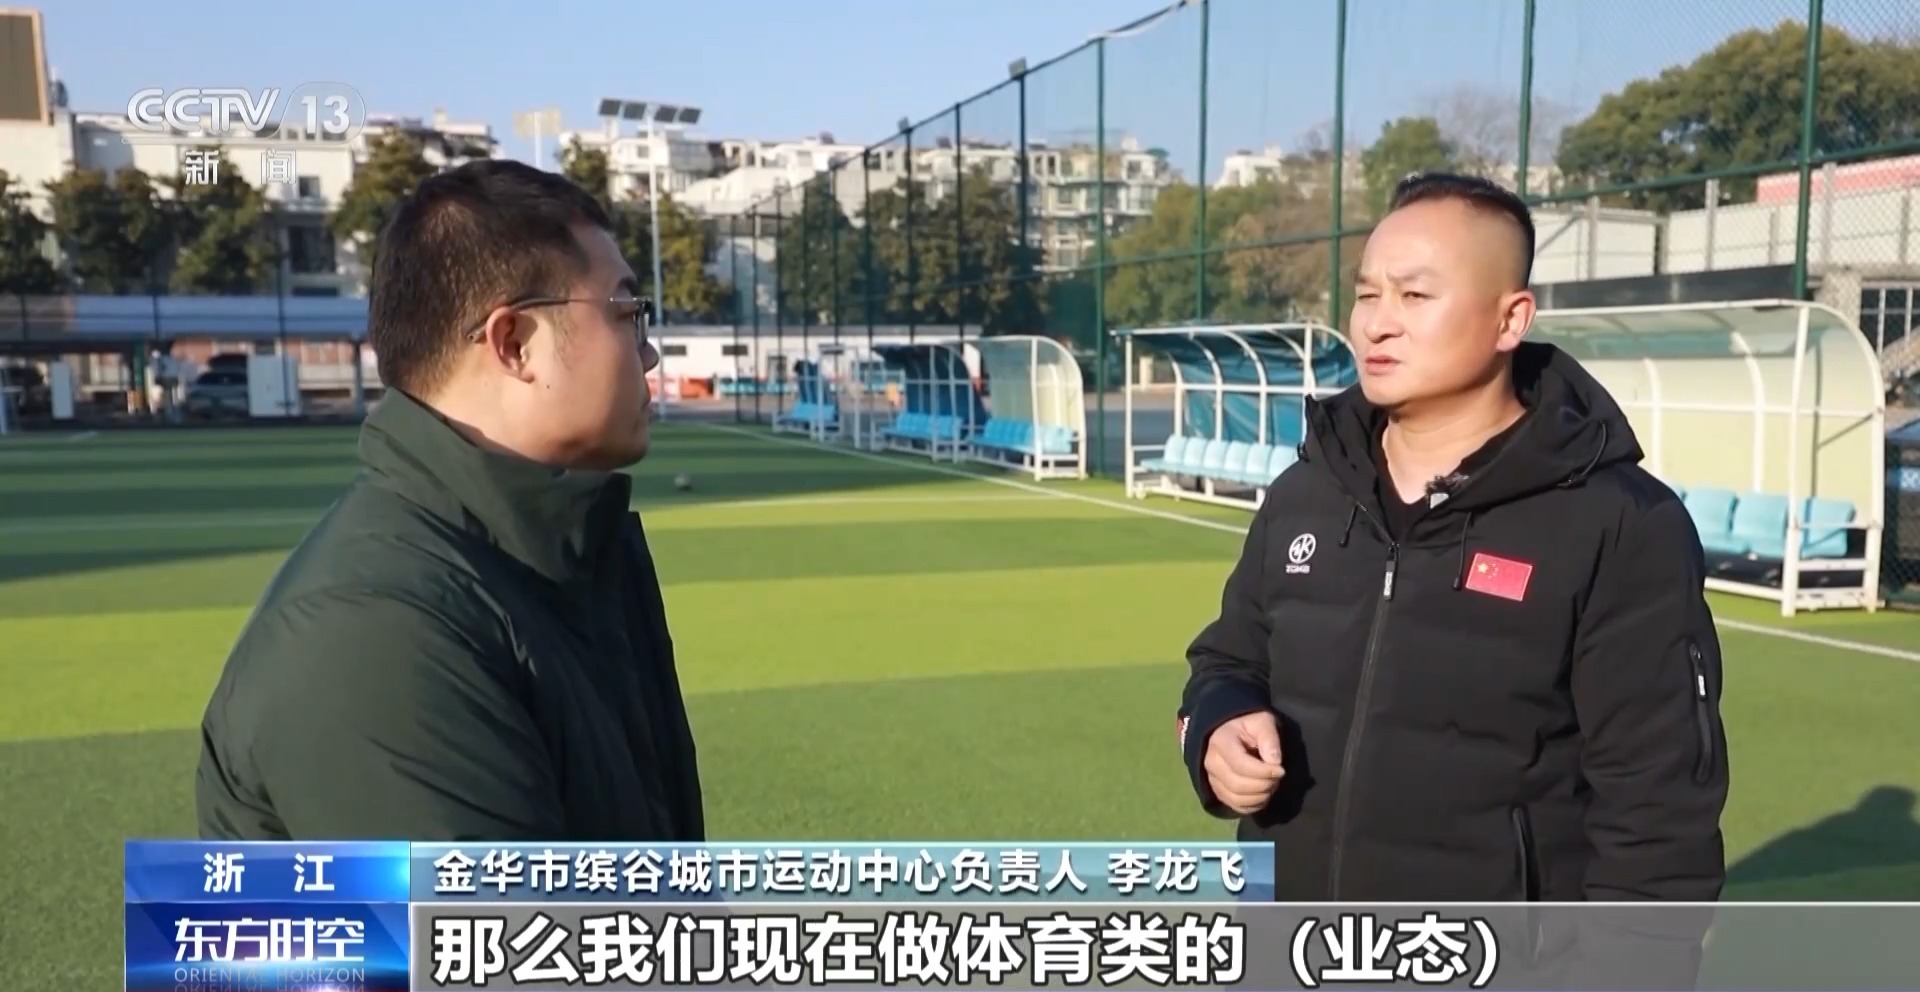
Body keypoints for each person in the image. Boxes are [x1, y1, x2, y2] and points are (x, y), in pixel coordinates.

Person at [1177, 173, 1728, 978]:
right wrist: (1218, 728)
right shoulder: (1308, 491)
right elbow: (1229, 661)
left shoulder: (1617, 523)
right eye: (1367, 294)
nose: (1378, 322)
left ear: (1511, 319)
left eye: (1415, 295)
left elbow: (1656, 810)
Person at [196, 159, 704, 842]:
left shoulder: (554, 558)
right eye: (627, 313)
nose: (648, 354)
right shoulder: (376, 632)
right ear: (515, 343)